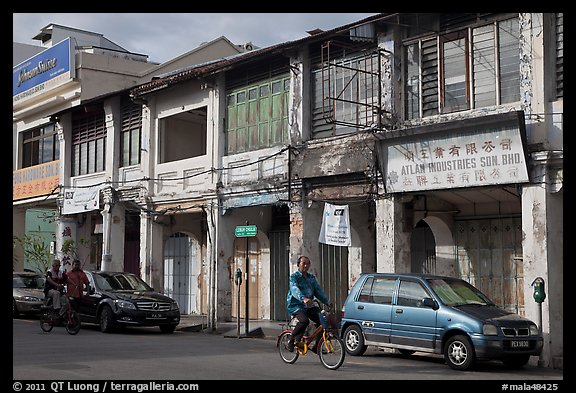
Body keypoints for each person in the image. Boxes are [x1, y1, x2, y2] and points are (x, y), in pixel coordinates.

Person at [285, 255, 331, 352]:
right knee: (304, 321)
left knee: (321, 321)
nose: (306, 266)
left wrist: (326, 301)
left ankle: (317, 346)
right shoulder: (294, 277)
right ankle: (291, 339)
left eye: (308, 263)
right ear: (298, 265)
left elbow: (318, 291)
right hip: (296, 306)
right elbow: (294, 289)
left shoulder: (311, 278)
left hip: (309, 305)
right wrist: (303, 298)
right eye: (303, 263)